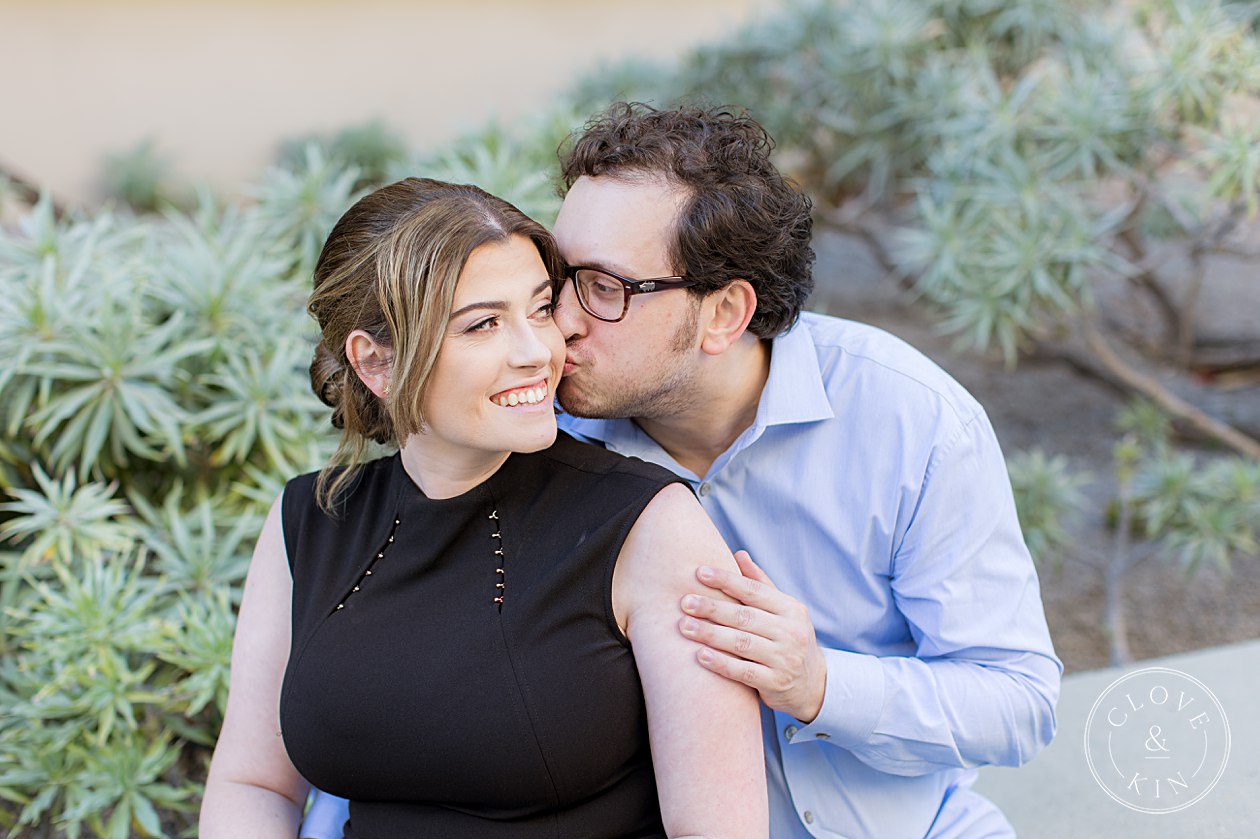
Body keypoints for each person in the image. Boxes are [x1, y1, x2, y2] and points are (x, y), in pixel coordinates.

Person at [547, 103, 1062, 838]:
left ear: (725, 313)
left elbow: (1018, 701)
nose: (561, 318)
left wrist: (818, 681)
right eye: (556, 274)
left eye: (604, 287)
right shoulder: (540, 439)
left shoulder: (911, 422)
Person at [199, 177, 767, 839]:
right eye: (484, 324)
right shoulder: (311, 518)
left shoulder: (649, 523)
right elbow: (253, 781)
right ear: (375, 362)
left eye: (541, 308)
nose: (538, 352)